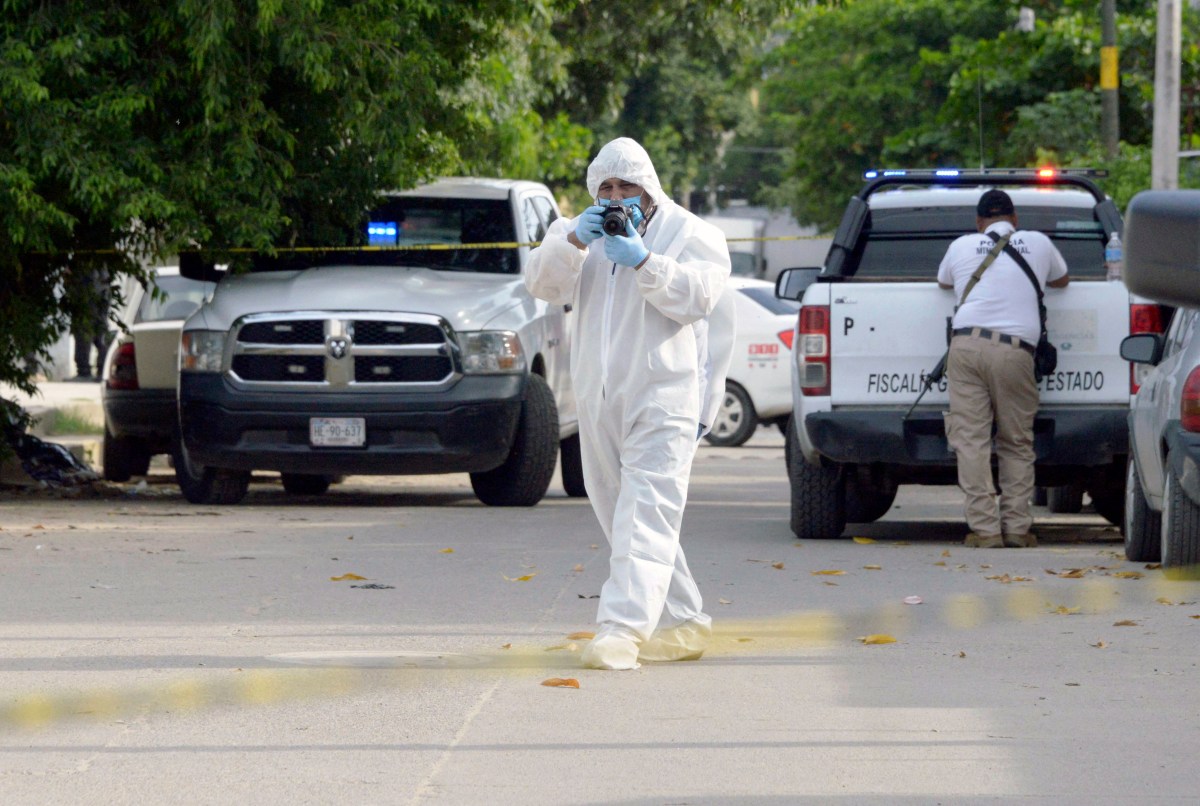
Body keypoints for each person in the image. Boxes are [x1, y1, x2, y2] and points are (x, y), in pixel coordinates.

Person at [525, 137, 733, 669]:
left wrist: (646, 262)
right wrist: (572, 239)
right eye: (606, 187)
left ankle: (621, 631)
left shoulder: (691, 233)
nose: (617, 197)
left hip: (664, 397)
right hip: (599, 398)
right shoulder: (579, 231)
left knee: (645, 514)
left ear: (650, 186)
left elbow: (700, 297)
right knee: (625, 515)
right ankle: (685, 623)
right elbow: (541, 286)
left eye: (627, 187)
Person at [937, 189, 1069, 548]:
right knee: (1016, 441)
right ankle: (1017, 528)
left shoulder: (962, 244)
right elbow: (1062, 280)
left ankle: (985, 531)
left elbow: (944, 282)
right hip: (1015, 351)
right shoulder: (1038, 242)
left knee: (971, 442)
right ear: (1015, 219)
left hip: (964, 347)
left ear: (979, 223)